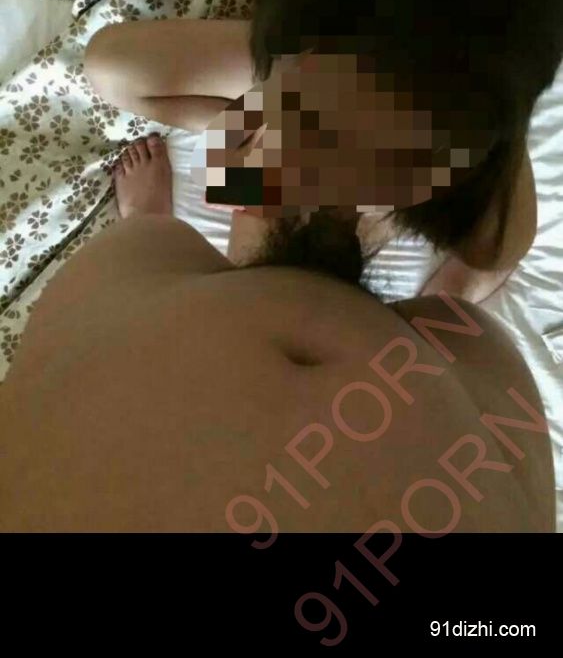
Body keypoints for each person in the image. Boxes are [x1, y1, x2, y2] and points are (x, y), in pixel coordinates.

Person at [83, 0, 563, 301]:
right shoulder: (308, 52)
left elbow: (489, 257)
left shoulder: (476, 209)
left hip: (389, 106)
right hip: (322, 70)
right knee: (117, 68)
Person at [0, 134, 554, 532]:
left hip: (157, 333)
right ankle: (448, 294)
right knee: (462, 318)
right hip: (439, 402)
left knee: (157, 239)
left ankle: (184, 220)